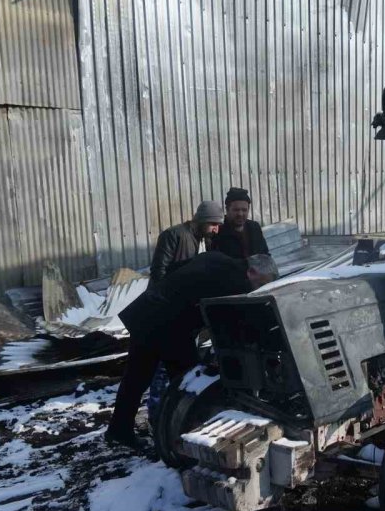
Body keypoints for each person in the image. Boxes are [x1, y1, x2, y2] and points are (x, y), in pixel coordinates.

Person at [105, 252, 279, 448]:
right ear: (252, 272)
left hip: (147, 313)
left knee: (136, 379)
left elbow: (173, 268)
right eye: (260, 284)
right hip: (167, 325)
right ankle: (186, 436)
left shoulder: (217, 257)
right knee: (191, 380)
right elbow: (224, 322)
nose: (257, 290)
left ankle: (119, 431)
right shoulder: (234, 280)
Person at [149, 200, 225, 283]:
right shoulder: (173, 235)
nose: (216, 230)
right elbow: (158, 271)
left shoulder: (207, 239)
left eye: (218, 225)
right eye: (213, 224)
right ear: (201, 220)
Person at [212, 187, 270, 260]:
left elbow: (265, 255)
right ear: (227, 209)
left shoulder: (254, 228)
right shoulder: (218, 230)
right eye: (236, 210)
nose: (240, 214)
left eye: (244, 210)